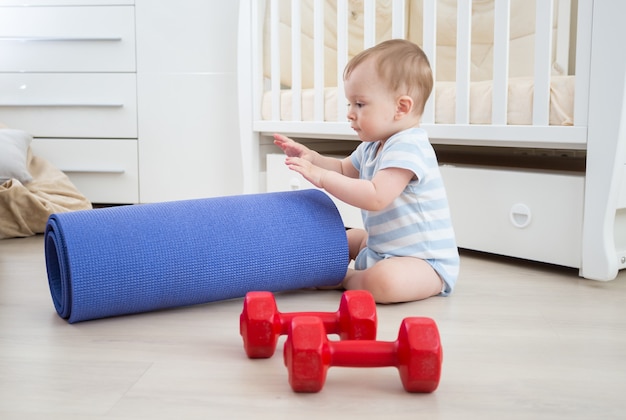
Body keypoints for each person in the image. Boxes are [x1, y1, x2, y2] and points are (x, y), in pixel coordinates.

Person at [274, 39, 459, 303]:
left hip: (422, 262)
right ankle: (314, 261)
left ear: (401, 108)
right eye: (350, 104)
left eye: (359, 104)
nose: (350, 113)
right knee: (343, 238)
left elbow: (375, 196)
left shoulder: (409, 145)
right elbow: (342, 168)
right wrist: (312, 158)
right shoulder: (372, 147)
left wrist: (324, 179)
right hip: (381, 247)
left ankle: (347, 278)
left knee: (384, 283)